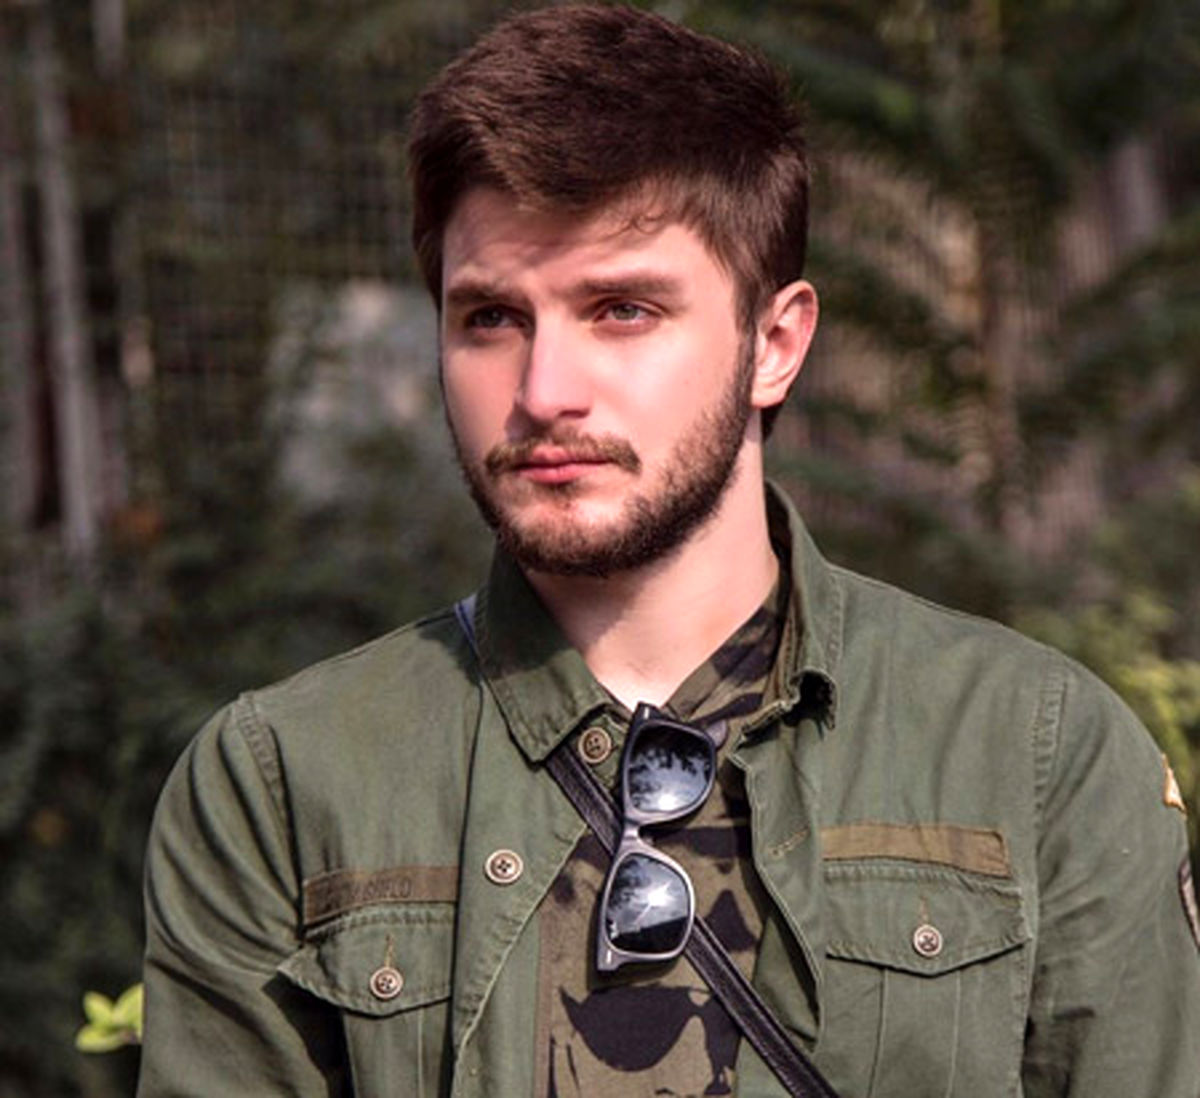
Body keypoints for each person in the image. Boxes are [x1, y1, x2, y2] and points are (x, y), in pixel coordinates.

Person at [136, 5, 1200, 1096]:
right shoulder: (286, 785)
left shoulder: (1035, 757)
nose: (545, 392)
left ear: (773, 342)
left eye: (623, 309)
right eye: (491, 318)